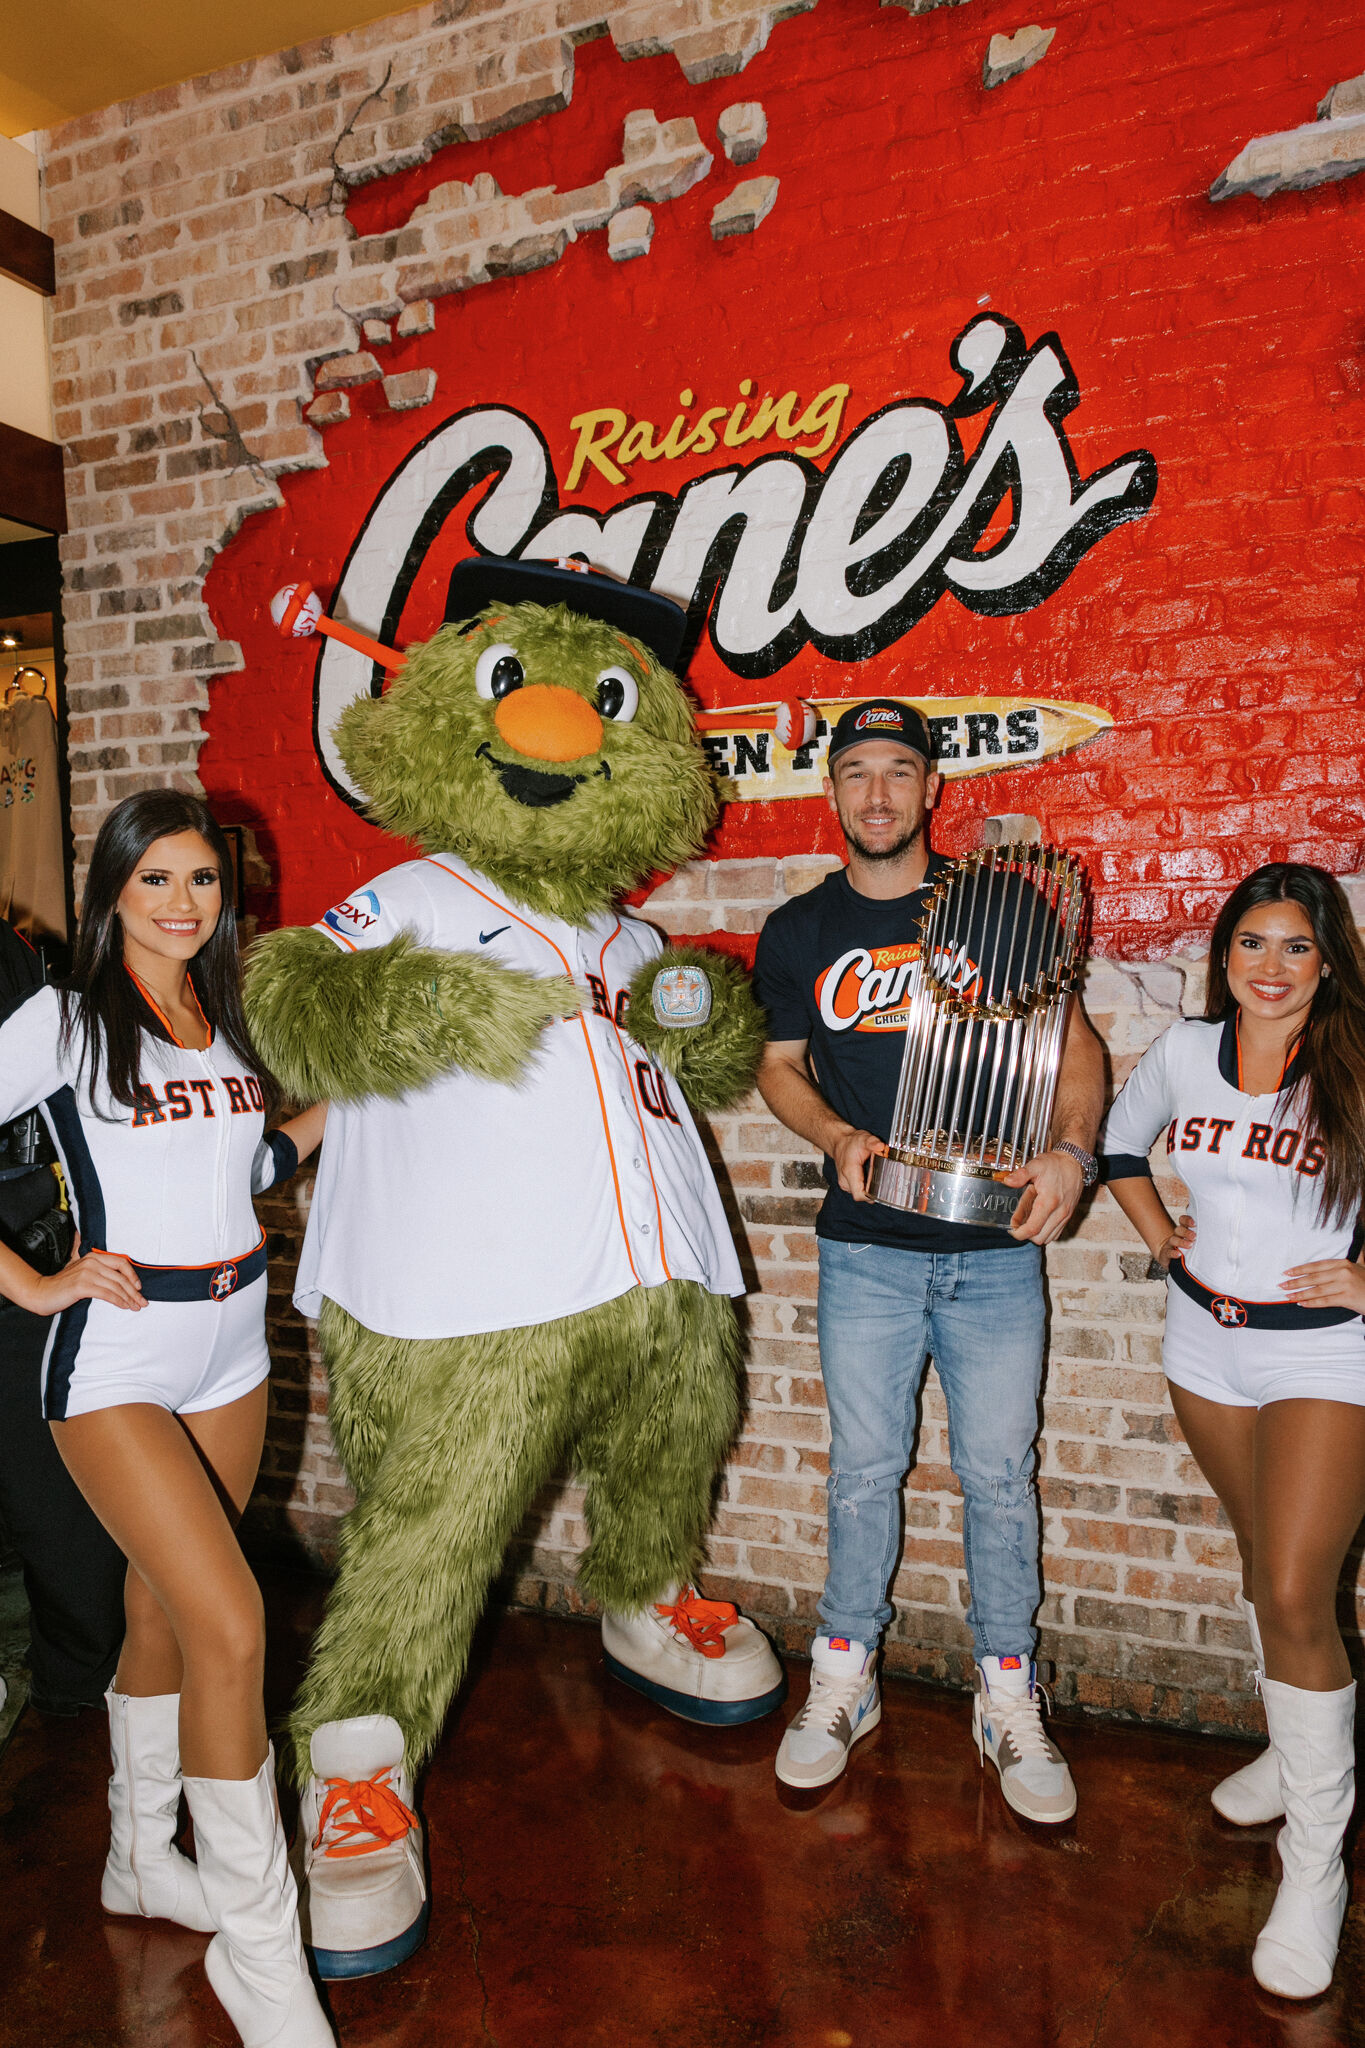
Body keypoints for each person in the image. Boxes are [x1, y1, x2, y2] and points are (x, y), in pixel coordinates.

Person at [0, 791, 332, 2048]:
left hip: (235, 1339)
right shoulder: (69, 1016)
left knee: (161, 1605)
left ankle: (140, 1857)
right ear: (111, 892)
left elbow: (239, 1168)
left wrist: (354, 1106)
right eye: (157, 881)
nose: (185, 904)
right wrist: (35, 1280)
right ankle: (262, 1947)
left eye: (204, 881)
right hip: (118, 1358)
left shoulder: (222, 1014)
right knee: (232, 1619)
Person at [753, 699, 1103, 1818]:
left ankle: (1007, 1692)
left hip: (996, 1249)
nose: (876, 794)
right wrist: (836, 1136)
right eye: (855, 772)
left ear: (932, 789)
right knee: (863, 1472)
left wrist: (1073, 1150)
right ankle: (845, 1679)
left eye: (898, 771)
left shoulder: (998, 902)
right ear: (833, 794)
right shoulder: (802, 928)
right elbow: (778, 1065)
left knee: (1001, 1479)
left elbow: (1078, 1048)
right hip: (867, 1251)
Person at [1100, 862, 1365, 2000]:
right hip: (1204, 1343)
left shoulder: (1357, 1054)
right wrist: (1163, 1233)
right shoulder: (1181, 1052)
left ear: (1328, 957)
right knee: (1264, 1569)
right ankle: (1289, 1749)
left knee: (1302, 1591)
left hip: (1324, 1350)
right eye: (1250, 943)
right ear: (1223, 954)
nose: (1270, 967)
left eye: (1295, 946)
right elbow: (1119, 1145)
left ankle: (1316, 1863)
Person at [0, 914, 127, 1717]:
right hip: (20, 1279)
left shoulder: (8, 953)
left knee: (62, 1511)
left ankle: (84, 1695)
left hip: (25, 1259)